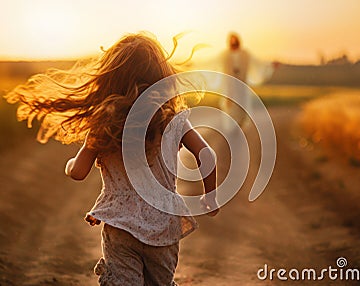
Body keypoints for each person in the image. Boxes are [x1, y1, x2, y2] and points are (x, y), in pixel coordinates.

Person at [5, 32, 219, 285]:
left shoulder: (105, 124)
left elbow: (78, 172)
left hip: (121, 227)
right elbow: (206, 154)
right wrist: (210, 196)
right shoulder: (174, 120)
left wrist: (69, 164)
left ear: (110, 79)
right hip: (164, 226)